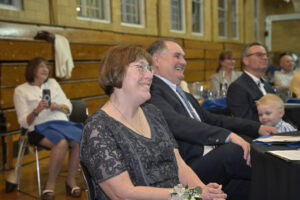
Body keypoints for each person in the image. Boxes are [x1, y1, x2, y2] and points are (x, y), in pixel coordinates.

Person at [80, 45, 227, 200]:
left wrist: (202, 190)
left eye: (149, 68)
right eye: (141, 68)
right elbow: (124, 194)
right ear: (117, 71)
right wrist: (190, 195)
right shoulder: (98, 128)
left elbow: (179, 165)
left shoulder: (153, 113)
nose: (150, 75)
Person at [146, 39, 278, 200]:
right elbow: (176, 123)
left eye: (184, 57)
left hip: (208, 159)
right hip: (185, 169)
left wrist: (256, 128)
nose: (184, 62)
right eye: (177, 56)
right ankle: (285, 177)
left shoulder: (183, 94)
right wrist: (228, 136)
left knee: (248, 184)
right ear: (157, 60)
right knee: (235, 151)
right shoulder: (151, 90)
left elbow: (214, 120)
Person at [13, 57, 82, 200]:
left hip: (62, 123)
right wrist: (37, 110)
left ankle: (71, 180)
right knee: (61, 143)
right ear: (32, 70)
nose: (46, 69)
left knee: (79, 140)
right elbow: (24, 123)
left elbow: (68, 107)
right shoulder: (20, 90)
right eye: (41, 66)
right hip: (37, 128)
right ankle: (50, 185)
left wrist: (57, 106)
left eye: (47, 66)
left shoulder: (53, 83)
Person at [227, 42, 275, 122]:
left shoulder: (268, 86)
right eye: (259, 55)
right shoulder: (237, 88)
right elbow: (245, 120)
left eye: (266, 55)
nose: (265, 58)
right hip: (258, 133)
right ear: (246, 60)